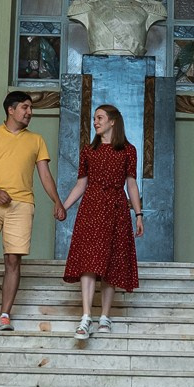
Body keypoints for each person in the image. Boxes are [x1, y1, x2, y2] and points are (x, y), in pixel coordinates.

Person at [0, 91, 66, 332]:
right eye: (24, 107)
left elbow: (44, 174)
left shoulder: (36, 140)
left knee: (13, 258)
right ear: (10, 110)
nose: (29, 112)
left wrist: (57, 201)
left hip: (22, 204)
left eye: (30, 108)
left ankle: (5, 314)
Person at [59, 104, 143, 342]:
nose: (95, 122)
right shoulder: (89, 151)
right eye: (94, 118)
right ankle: (86, 316)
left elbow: (132, 185)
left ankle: (105, 316)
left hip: (116, 208)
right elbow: (81, 184)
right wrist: (63, 206)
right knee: (88, 261)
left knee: (111, 261)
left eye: (99, 118)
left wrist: (138, 214)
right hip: (92, 207)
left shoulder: (128, 150)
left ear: (113, 121)